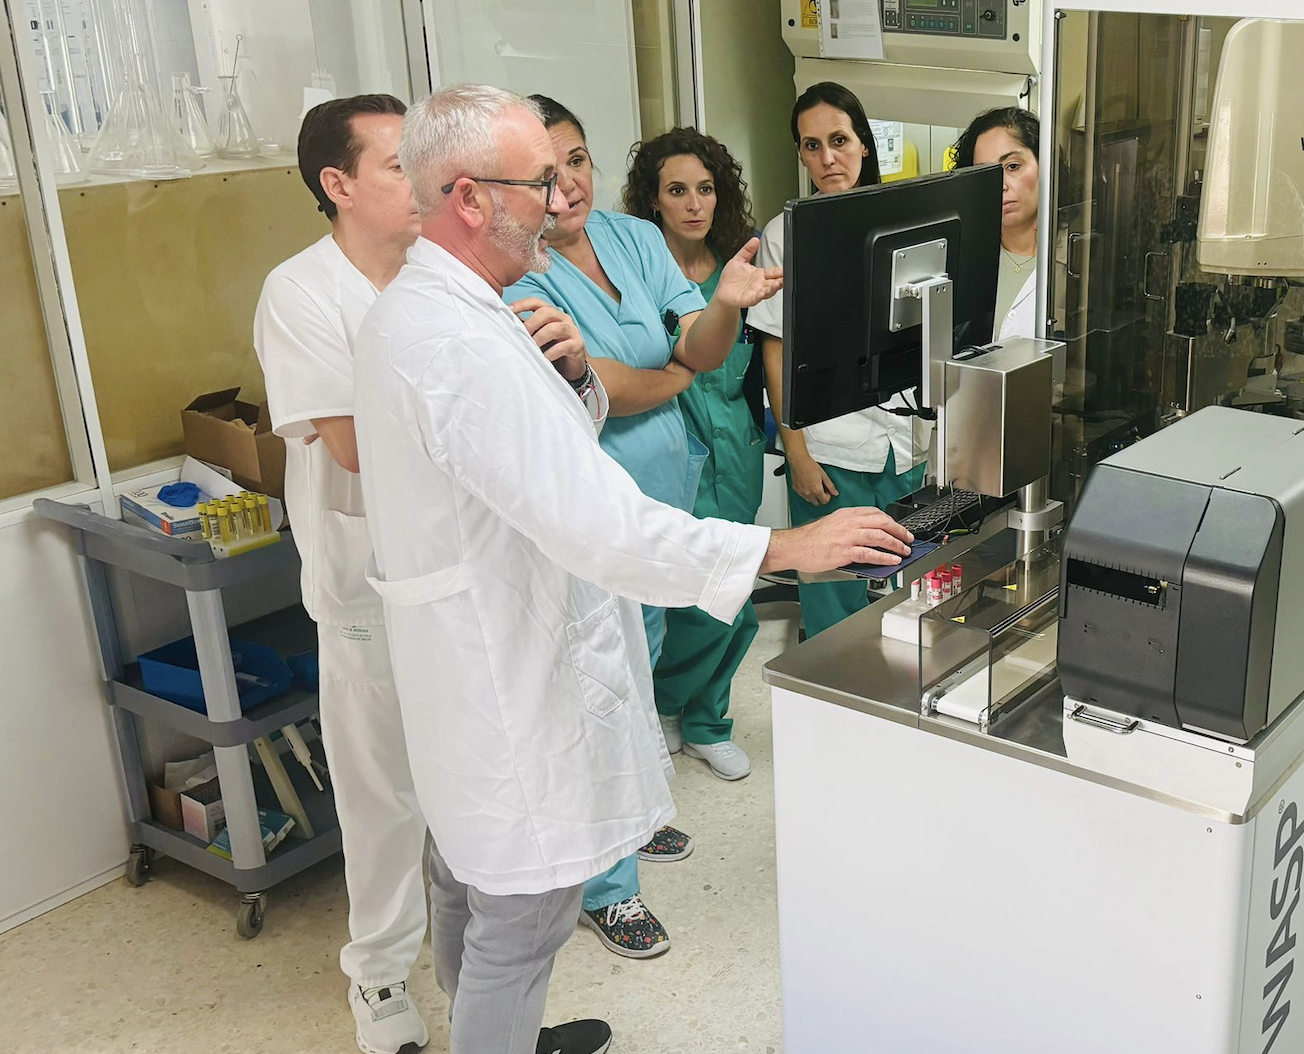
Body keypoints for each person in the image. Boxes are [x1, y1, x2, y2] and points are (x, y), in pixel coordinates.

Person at [351, 83, 912, 1054]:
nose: (561, 198)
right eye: (538, 181)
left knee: (470, 884)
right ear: (472, 198)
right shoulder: (456, 343)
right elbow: (594, 521)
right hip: (499, 675)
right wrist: (780, 547)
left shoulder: (459, 313)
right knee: (518, 925)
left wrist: (573, 379)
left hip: (480, 659)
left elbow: (549, 450)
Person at [509, 98, 778, 956]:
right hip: (592, 516)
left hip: (660, 497)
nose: (567, 189)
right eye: (545, 177)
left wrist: (726, 302)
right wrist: (659, 375)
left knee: (647, 660)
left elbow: (696, 350)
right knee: (604, 690)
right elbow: (607, 389)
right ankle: (606, 886)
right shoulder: (514, 274)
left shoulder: (633, 237)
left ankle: (636, 818)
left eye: (577, 161)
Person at [252, 94, 433, 1054]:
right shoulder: (302, 293)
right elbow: (355, 447)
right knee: (384, 793)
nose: (424, 180)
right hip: (366, 582)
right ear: (340, 183)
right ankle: (379, 979)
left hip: (455, 571)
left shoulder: (439, 273)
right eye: (401, 163)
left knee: (463, 780)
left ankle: (479, 975)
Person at [750, 82, 930, 638]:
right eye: (811, 146)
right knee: (835, 602)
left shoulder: (910, 217)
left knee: (910, 593)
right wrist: (797, 453)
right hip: (831, 453)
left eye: (839, 140)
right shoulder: (788, 236)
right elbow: (776, 350)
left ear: (865, 143)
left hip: (904, 447)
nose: (827, 159)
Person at [620, 127, 766, 784]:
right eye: (676, 190)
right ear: (652, 202)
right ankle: (666, 706)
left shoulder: (740, 267)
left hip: (735, 440)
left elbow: (761, 358)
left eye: (704, 189)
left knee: (736, 593)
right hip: (672, 441)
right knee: (683, 594)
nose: (693, 203)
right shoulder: (636, 275)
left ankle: (707, 721)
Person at [952, 106, 1042, 339]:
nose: (1000, 184)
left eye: (1013, 166)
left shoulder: (1080, 260)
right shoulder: (961, 260)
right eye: (985, 173)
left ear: (1046, 166)